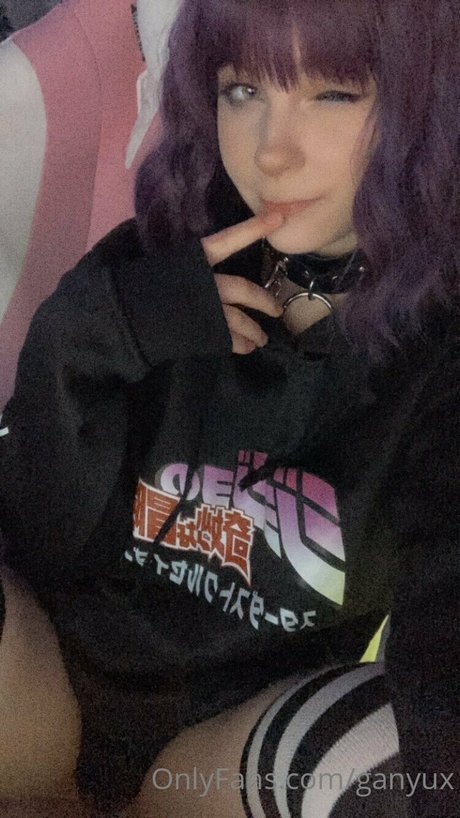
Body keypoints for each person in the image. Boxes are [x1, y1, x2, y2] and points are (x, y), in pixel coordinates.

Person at [0, 0, 458, 816]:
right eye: (243, 90)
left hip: (219, 758)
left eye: (333, 93)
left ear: (427, 102)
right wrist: (100, 334)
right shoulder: (162, 256)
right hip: (44, 698)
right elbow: (42, 534)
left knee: (398, 761)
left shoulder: (438, 361)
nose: (271, 152)